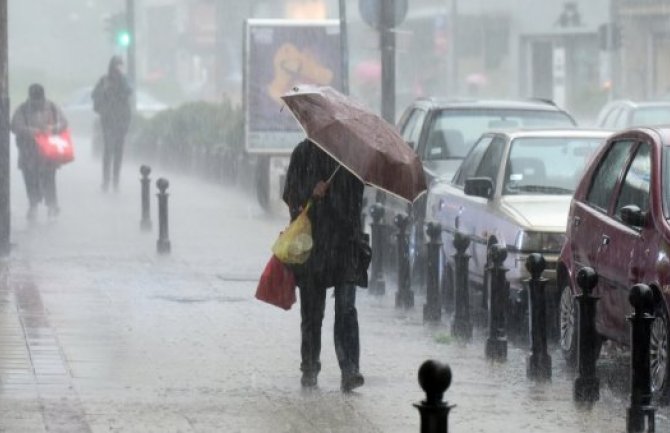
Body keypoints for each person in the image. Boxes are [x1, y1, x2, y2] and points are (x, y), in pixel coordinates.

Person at [282, 139, 368, 392]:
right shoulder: (302, 153)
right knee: (312, 312)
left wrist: (336, 194)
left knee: (346, 309)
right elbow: (292, 199)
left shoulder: (352, 159)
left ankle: (350, 369)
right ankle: (309, 367)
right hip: (312, 245)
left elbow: (356, 203)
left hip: (345, 245)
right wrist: (312, 193)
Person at [11, 83, 68, 220]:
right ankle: (33, 206)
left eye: (40, 100)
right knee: (30, 179)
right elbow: (15, 126)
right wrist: (33, 132)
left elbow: (64, 123)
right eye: (35, 101)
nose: (38, 103)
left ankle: (52, 205)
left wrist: (53, 128)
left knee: (49, 178)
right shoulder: (22, 109)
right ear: (30, 98)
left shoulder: (52, 107)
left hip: (47, 152)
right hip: (28, 152)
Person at [92, 55, 132, 192]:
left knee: (119, 151)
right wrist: (105, 92)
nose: (118, 68)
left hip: (121, 121)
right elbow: (95, 94)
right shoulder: (104, 81)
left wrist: (122, 77)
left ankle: (116, 180)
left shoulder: (124, 81)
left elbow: (129, 91)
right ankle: (106, 180)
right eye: (117, 65)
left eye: (121, 65)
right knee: (108, 150)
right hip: (108, 121)